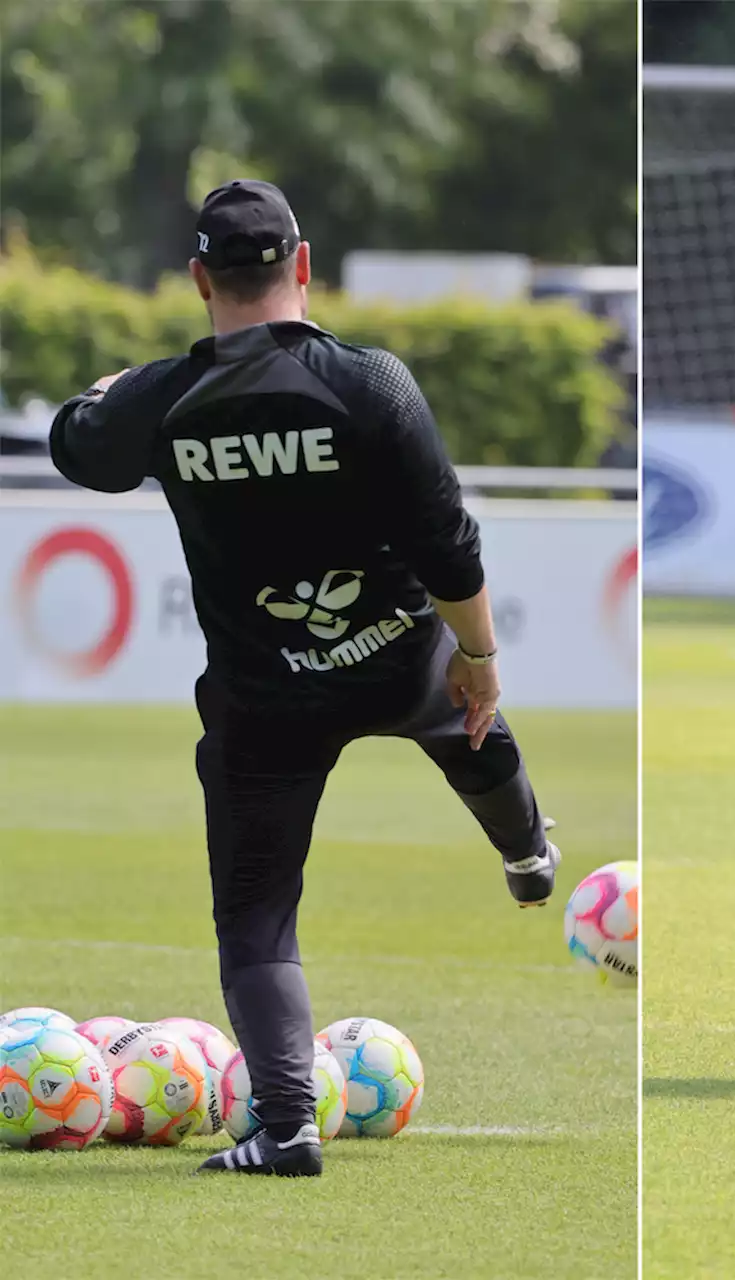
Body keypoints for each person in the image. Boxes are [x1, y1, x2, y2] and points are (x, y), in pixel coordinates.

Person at [49, 180, 561, 1174]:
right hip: (393, 656)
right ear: (304, 266)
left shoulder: (164, 397)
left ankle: (284, 1126)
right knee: (467, 715)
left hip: (264, 697)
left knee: (255, 912)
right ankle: (528, 850)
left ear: (198, 278)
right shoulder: (370, 384)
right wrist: (482, 658)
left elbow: (79, 448)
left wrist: (106, 393)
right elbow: (449, 545)